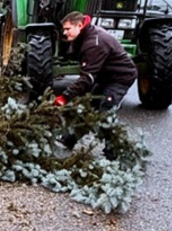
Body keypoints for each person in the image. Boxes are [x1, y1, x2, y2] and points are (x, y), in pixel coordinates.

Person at [54, 12, 138, 158]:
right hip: (104, 76)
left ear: (79, 25)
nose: (64, 32)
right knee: (88, 106)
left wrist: (65, 96)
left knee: (105, 111)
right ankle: (68, 140)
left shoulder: (94, 43)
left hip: (120, 77)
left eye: (68, 29)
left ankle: (113, 152)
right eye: (64, 29)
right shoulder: (83, 36)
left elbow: (87, 78)